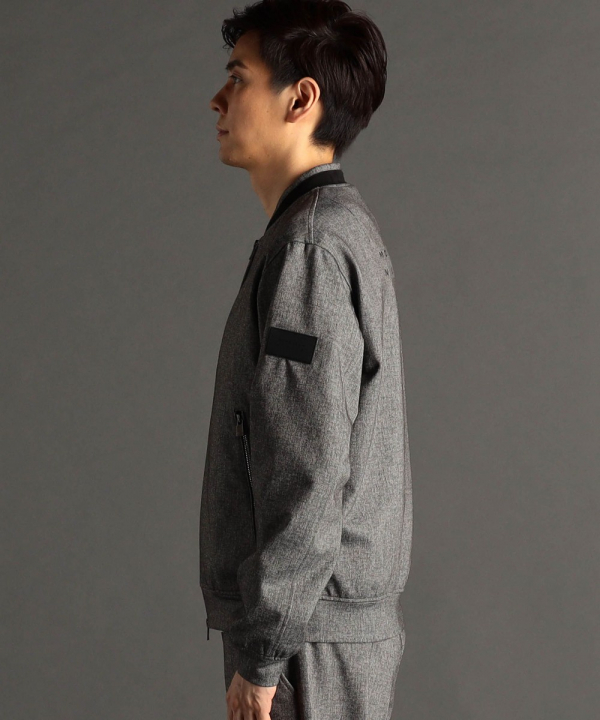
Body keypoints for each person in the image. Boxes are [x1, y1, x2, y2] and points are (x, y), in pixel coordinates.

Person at [201, 1, 413, 717]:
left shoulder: (311, 249)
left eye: (238, 77)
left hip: (305, 645)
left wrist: (263, 653)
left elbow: (308, 465)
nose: (217, 99)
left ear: (300, 98)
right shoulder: (321, 232)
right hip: (315, 631)